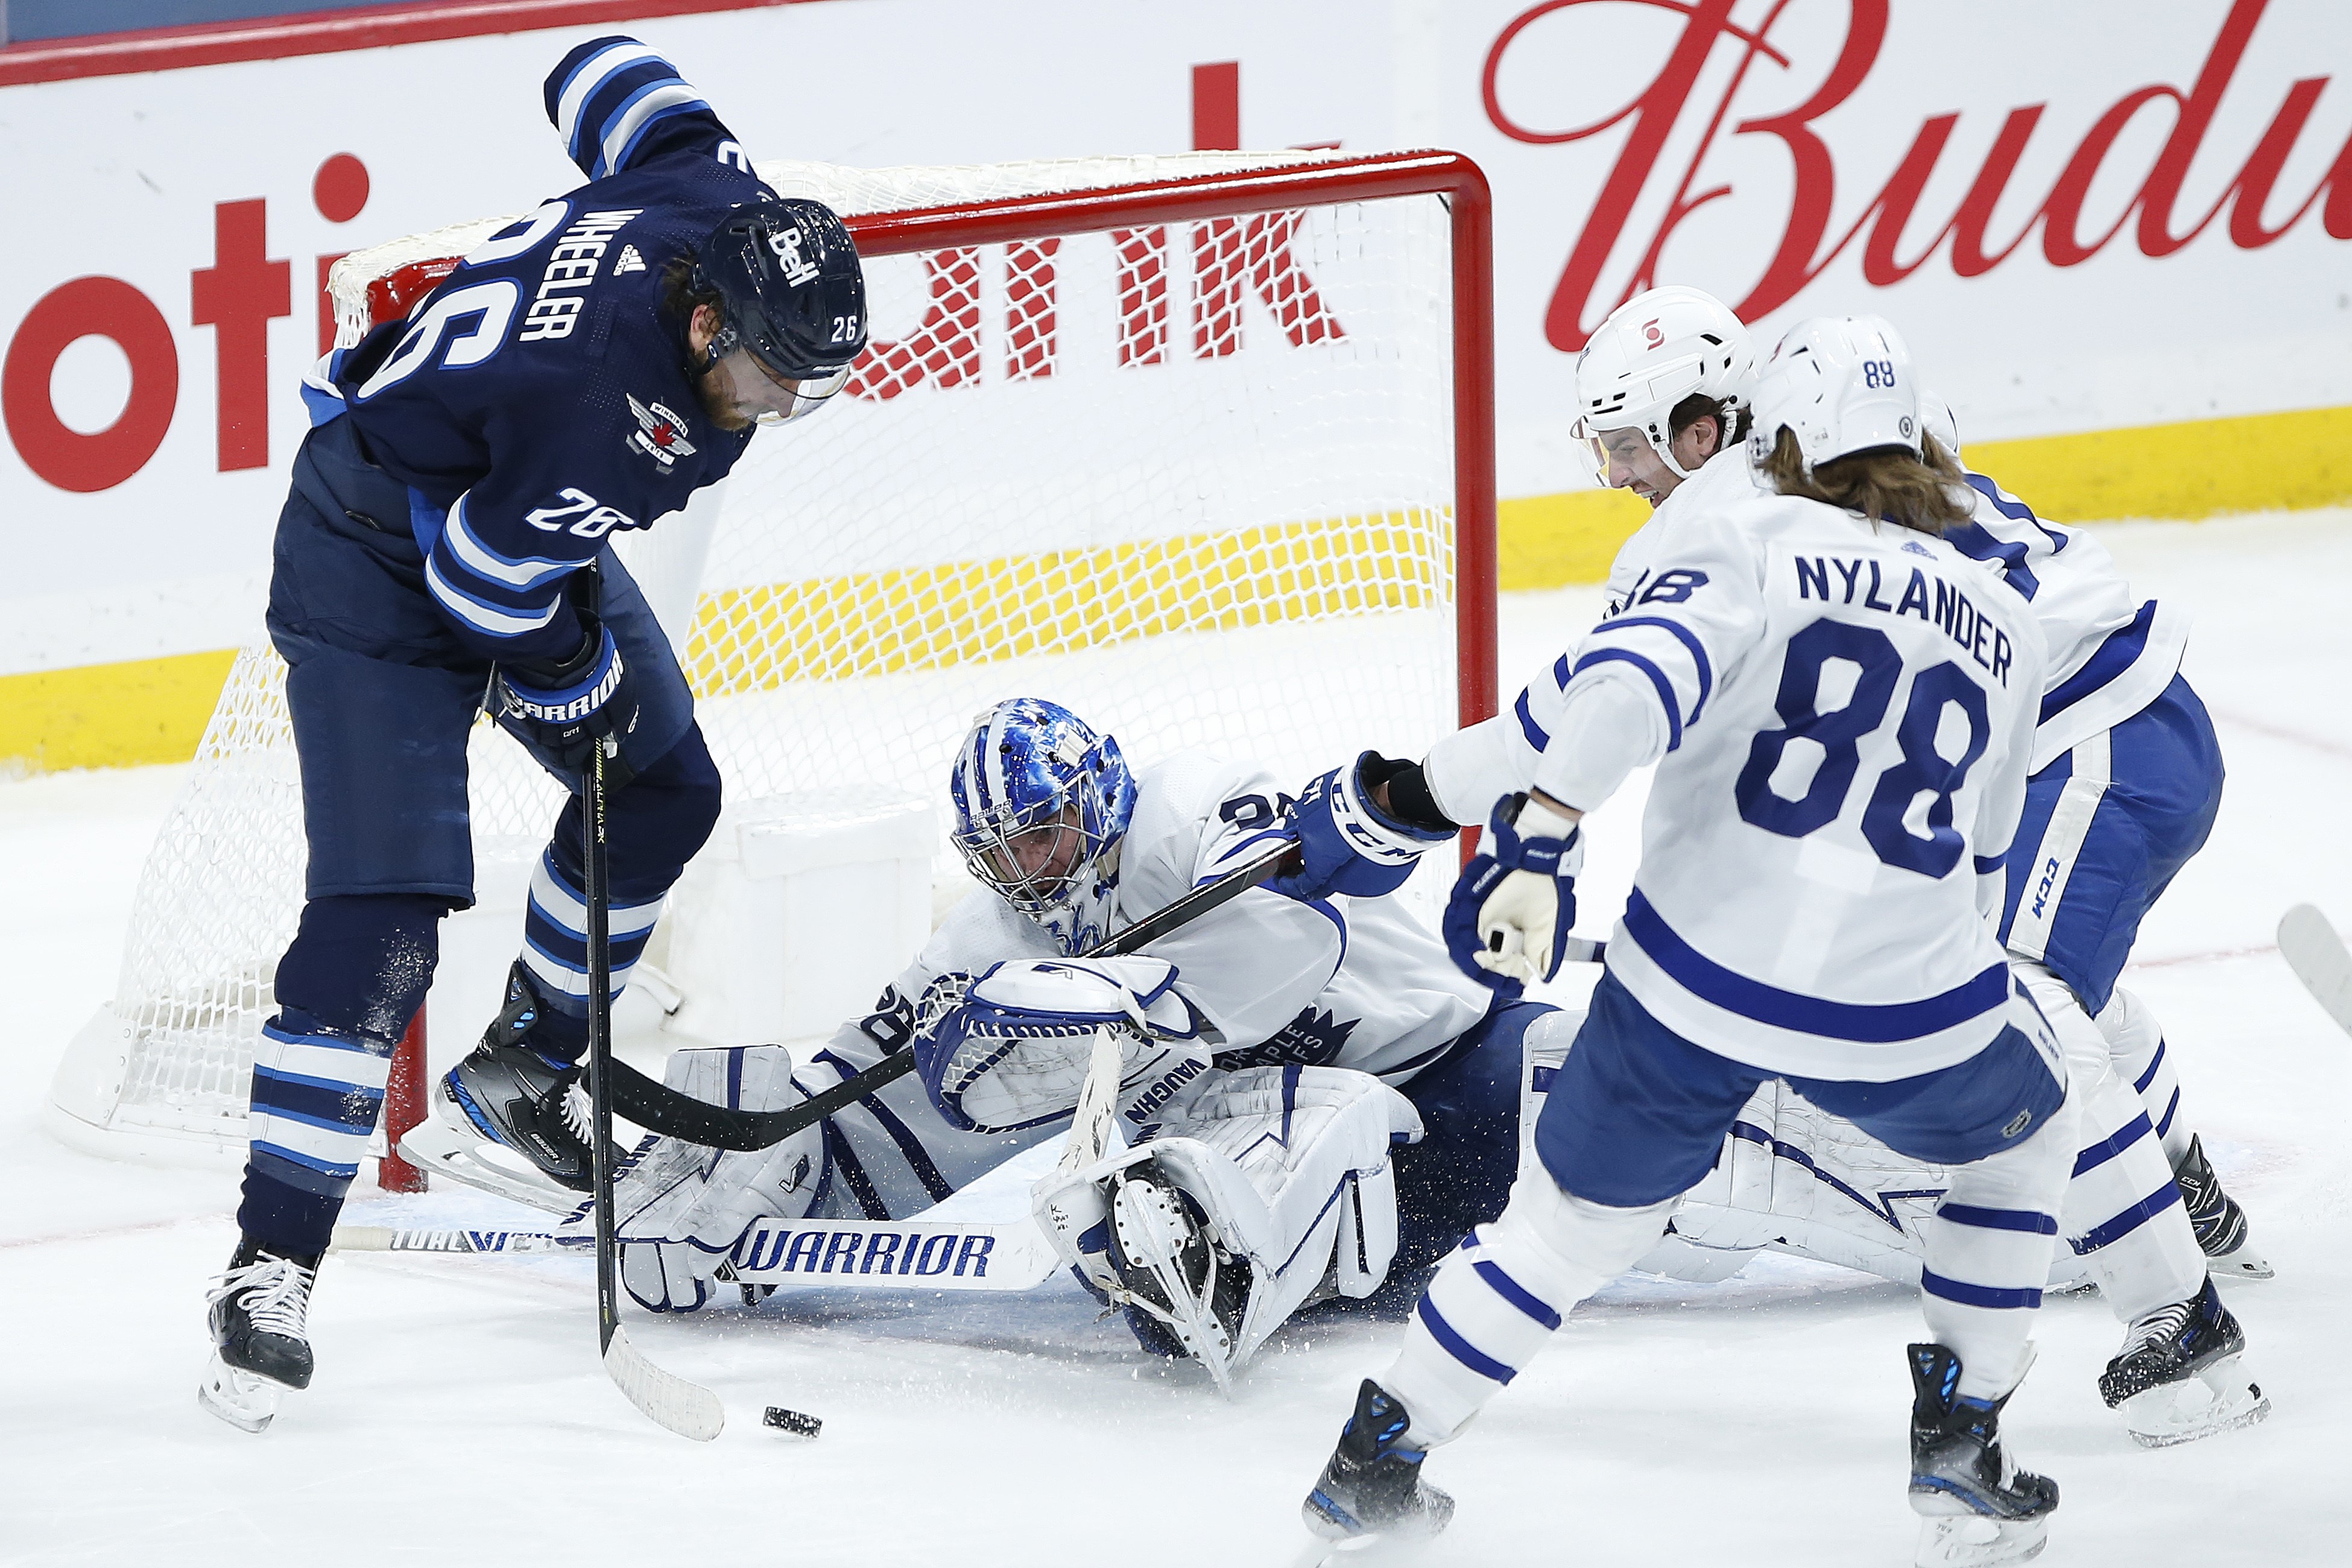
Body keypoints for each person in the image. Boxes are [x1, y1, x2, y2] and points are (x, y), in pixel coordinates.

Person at [1285, 317, 2076, 1567]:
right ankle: (1961, 1444)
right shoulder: (2007, 616)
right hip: (1904, 1003)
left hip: (1689, 983)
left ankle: (1378, 1459)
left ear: (1780, 434)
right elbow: (1982, 859)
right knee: (2026, 1148)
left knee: (1558, 1235)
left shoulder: (1741, 533)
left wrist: (1540, 839)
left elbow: (1629, 689)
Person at [196, 35, 868, 1434]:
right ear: (703, 330)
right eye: (769, 377)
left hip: (494, 498)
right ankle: (270, 1266)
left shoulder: (706, 187)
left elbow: (603, 70)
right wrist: (573, 685)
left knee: (667, 790)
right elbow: (486, 585)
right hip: (378, 555)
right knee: (384, 920)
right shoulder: (617, 421)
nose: (784, 405)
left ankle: (522, 1063)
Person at [1548, 285, 2266, 1446]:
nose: (1619, 474)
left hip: (2097, 745)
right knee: (2015, 981)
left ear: (1696, 422)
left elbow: (1599, 707)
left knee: (2024, 1012)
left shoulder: (1725, 518)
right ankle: (2183, 1189)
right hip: (2105, 733)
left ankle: (2185, 1324)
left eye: (1630, 445)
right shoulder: (1831, 428)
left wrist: (1415, 804)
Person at [580, 697, 1561, 1389]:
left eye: (1040, 833)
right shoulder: (996, 933)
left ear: (1096, 793)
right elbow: (874, 1082)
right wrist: (774, 1150)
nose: (1025, 869)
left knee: (1677, 1136)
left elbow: (1293, 941)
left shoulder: (1189, 809)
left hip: (1467, 1071)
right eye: (997, 851)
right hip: (1302, 1153)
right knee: (1162, 1226)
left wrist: (1106, 995)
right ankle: (1213, 1262)